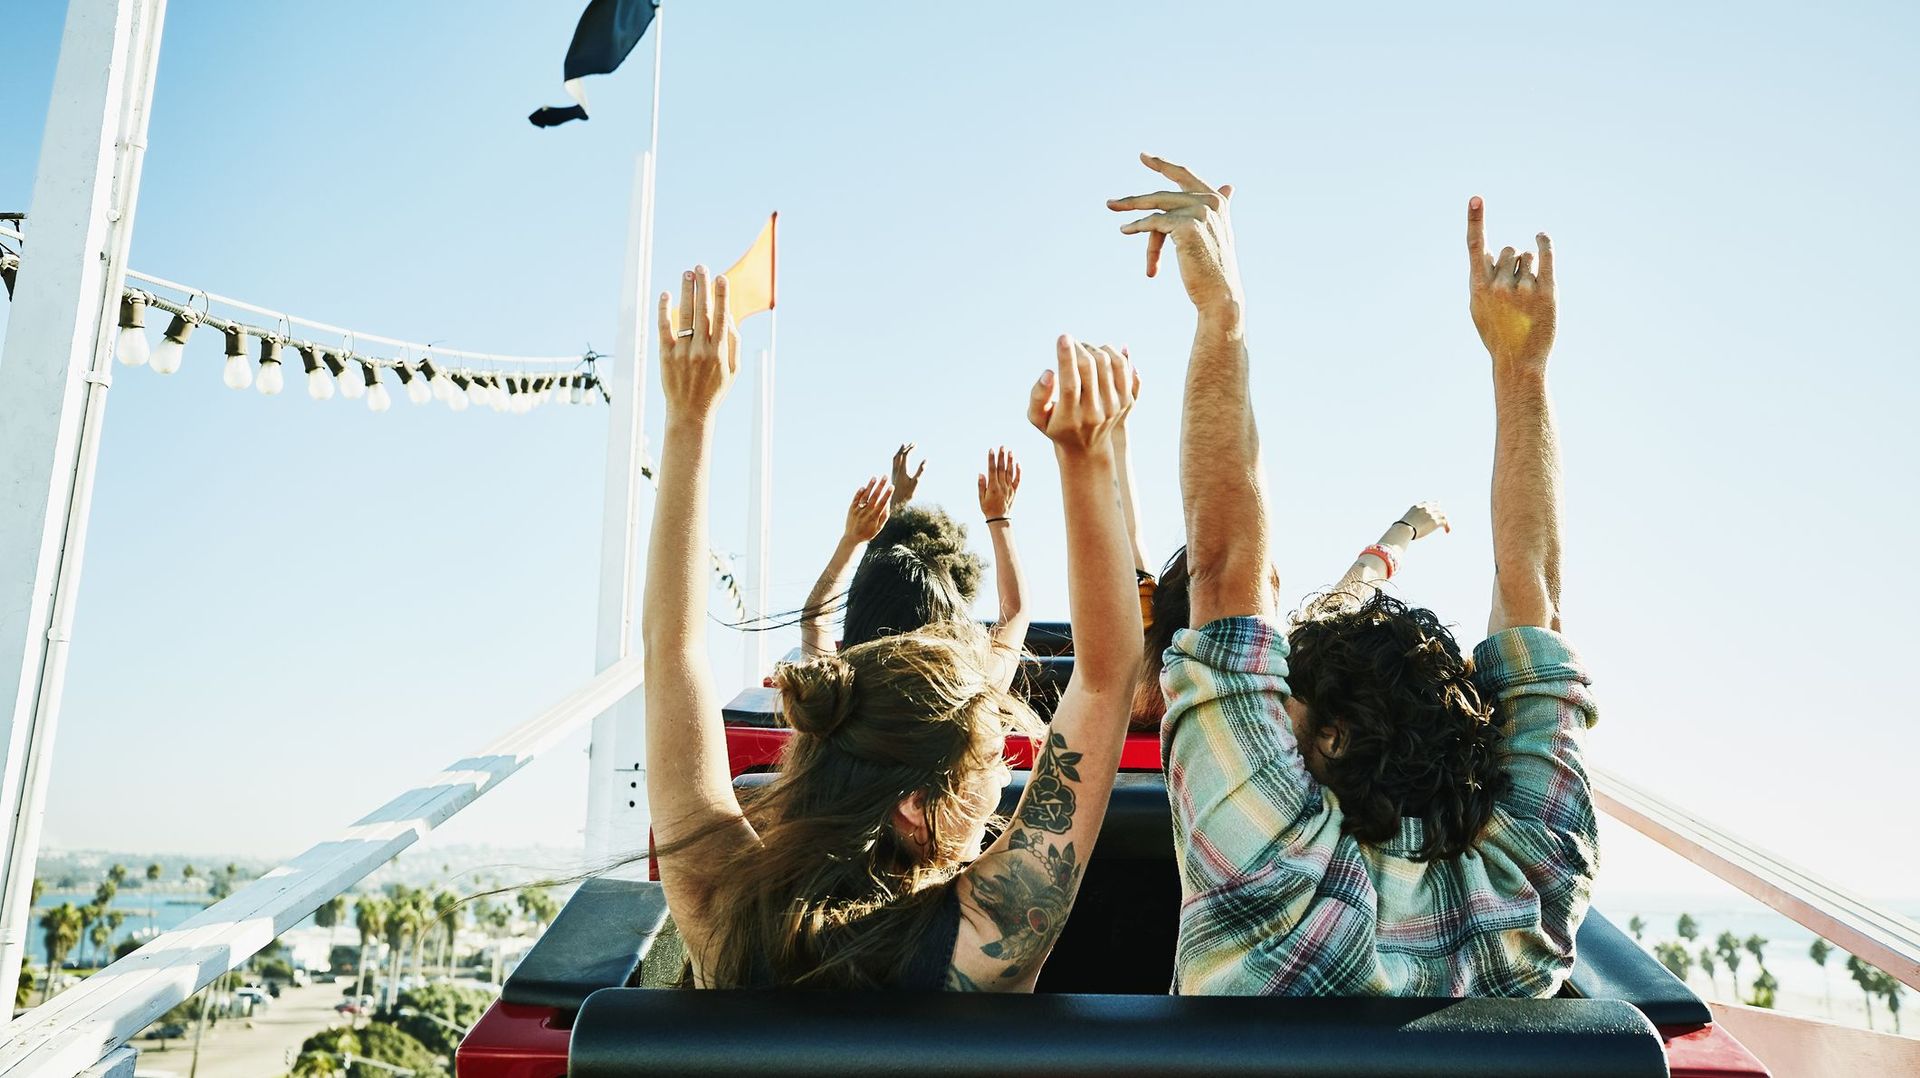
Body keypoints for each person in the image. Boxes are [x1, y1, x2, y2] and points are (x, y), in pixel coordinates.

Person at [1111, 156, 1597, 996]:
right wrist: (1523, 368)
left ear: (1333, 737)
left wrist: (1221, 310)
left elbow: (1228, 573)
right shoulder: (1534, 891)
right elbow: (1537, 601)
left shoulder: (1266, 874)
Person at [642, 262, 1142, 991]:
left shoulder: (720, 907)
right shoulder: (984, 942)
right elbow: (1106, 678)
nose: (1003, 784)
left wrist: (688, 417)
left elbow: (670, 654)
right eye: (990, 768)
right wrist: (1087, 456)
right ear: (918, 808)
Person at [1128, 503, 1449, 730]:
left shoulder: (1130, 667)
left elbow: (1130, 559)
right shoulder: (1280, 674)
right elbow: (1350, 594)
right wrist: (1404, 530)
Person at [800, 447, 1032, 692]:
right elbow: (1015, 612)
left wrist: (852, 540)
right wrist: (999, 517)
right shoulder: (972, 695)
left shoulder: (832, 699)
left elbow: (816, 620)